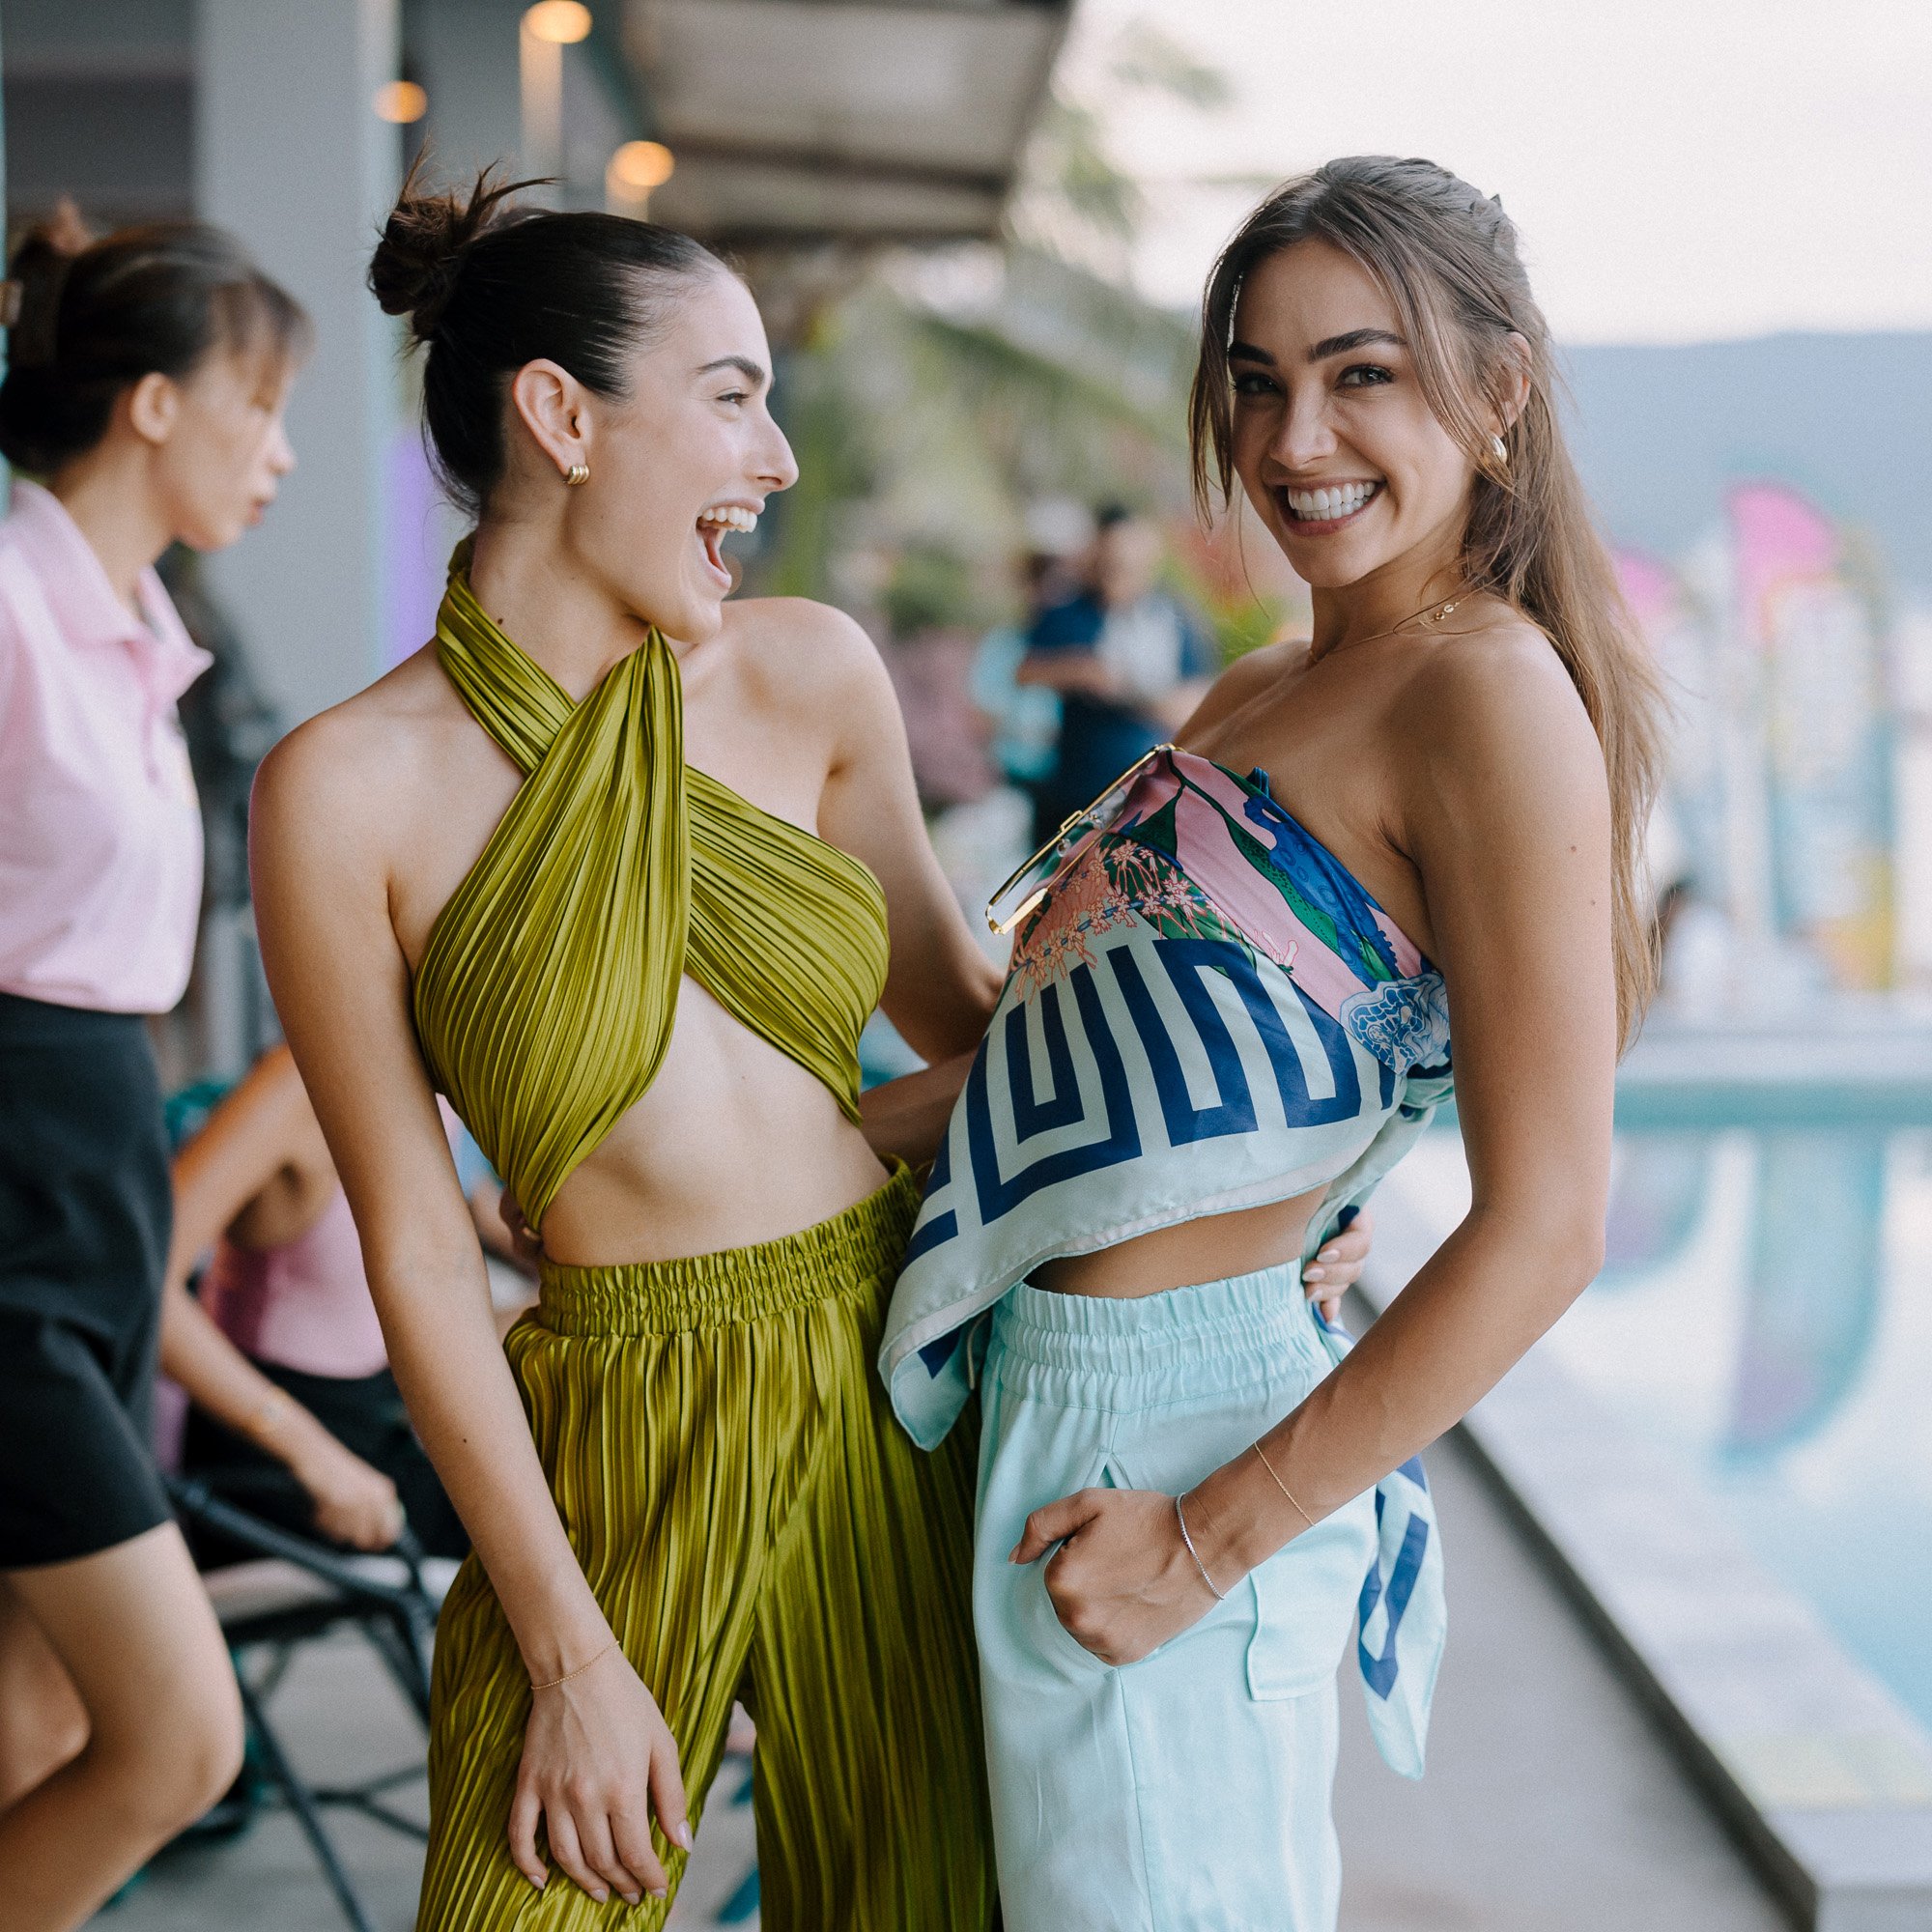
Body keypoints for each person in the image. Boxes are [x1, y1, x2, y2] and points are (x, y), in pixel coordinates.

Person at [881, 155, 1662, 1931]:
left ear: (1501, 389)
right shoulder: (1254, 692)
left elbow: (1548, 1230)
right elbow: (1073, 1076)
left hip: (1180, 1449)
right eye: (1255, 377)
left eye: (1361, 371)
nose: (1293, 432)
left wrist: (1207, 1540)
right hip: (1050, 1403)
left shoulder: (1488, 696)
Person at [246, 167, 1010, 1928]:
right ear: (561, 417)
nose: (779, 461)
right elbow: (425, 1252)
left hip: (890, 1375)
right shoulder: (346, 792)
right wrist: (570, 1660)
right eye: (733, 399)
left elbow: (981, 1046)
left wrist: (1267, 1167)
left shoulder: (808, 676)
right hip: (606, 1431)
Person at [0, 207, 304, 1931]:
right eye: (256, 405)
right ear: (154, 406)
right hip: (17, 1211)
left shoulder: (131, 633)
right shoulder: (13, 613)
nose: (277, 453)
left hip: (92, 1192)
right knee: (177, 1743)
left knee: (39, 1719)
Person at [164, 1043, 533, 1563]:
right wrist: (315, 1458)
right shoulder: (296, 1085)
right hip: (283, 1463)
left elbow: (468, 1212)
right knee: (539, 1547)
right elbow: (143, 1291)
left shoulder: (439, 1083)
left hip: (384, 1416)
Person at [1017, 503, 1217, 843]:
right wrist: (1082, 672)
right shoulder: (1072, 611)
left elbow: (1197, 700)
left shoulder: (1174, 618)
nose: (1120, 571)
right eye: (1112, 560)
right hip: (1073, 788)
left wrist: (1131, 693)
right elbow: (1026, 670)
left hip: (1145, 793)